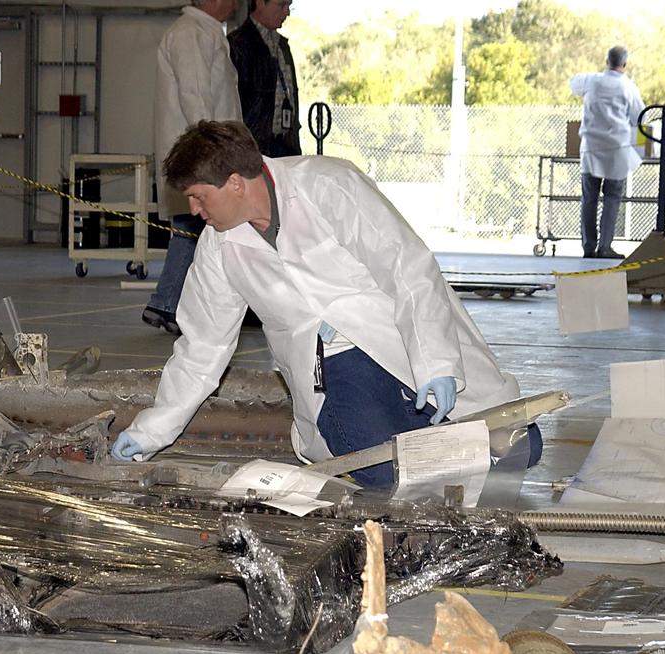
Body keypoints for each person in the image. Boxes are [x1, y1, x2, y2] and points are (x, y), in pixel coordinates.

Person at [110, 121, 541, 487]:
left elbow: (407, 267)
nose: (194, 209)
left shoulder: (328, 184)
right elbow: (202, 346)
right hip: (333, 365)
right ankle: (448, 450)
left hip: (402, 339)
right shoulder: (218, 247)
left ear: (236, 183)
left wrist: (437, 363)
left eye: (199, 196)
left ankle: (447, 443)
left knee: (524, 446)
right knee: (378, 470)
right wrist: (152, 430)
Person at [142, 0, 241, 336]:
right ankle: (171, 303)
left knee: (192, 230)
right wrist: (216, 150)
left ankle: (167, 302)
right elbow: (195, 98)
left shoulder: (203, 32)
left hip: (201, 154)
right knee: (196, 229)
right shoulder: (190, 33)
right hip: (200, 156)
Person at [569, 46, 646, 259]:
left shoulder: (591, 81)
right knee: (612, 198)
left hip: (591, 147)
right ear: (625, 64)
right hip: (616, 149)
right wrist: (643, 149)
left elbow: (573, 83)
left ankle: (588, 245)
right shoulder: (629, 87)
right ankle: (605, 246)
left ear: (606, 61)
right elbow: (640, 118)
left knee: (589, 198)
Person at [228, 0, 300, 158]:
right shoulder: (237, 45)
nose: (286, 12)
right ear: (260, 3)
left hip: (286, 146)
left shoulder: (282, 45)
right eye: (282, 5)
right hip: (255, 149)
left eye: (289, 6)